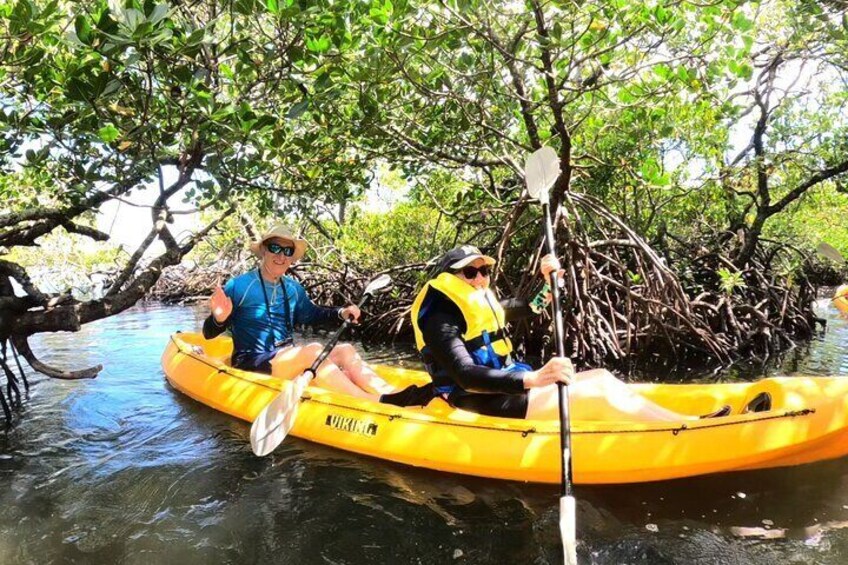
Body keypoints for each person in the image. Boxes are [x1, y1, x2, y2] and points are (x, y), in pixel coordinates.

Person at [382, 245, 729, 421]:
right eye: (470, 273)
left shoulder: (478, 301)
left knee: (603, 377)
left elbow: (528, 308)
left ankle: (683, 421)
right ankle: (688, 426)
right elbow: (466, 375)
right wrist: (534, 379)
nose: (481, 278)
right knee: (601, 395)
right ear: (448, 277)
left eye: (484, 270)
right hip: (475, 398)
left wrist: (552, 284)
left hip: (503, 384)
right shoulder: (438, 315)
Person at [202, 224, 392, 400]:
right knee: (314, 350)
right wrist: (219, 319)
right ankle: (372, 401)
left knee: (346, 350)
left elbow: (314, 314)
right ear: (263, 250)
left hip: (286, 358)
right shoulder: (239, 285)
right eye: (275, 248)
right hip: (251, 362)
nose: (281, 256)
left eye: (288, 251)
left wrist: (341, 312)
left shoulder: (293, 288)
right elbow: (208, 333)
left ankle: (391, 394)